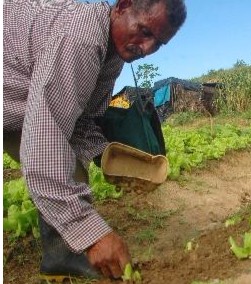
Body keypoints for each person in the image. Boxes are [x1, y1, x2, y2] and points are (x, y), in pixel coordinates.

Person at [3, 0, 186, 281]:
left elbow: (82, 119)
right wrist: (93, 235)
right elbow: (43, 142)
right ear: (123, 7)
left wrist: (107, 155)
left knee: (72, 166)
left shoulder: (112, 54)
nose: (147, 49)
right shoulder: (82, 37)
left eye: (158, 44)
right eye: (145, 32)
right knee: (56, 159)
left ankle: (60, 255)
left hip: (16, 104)